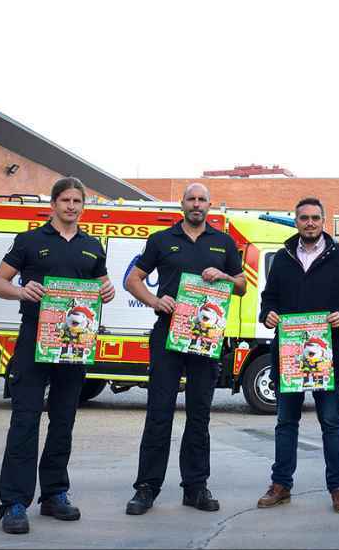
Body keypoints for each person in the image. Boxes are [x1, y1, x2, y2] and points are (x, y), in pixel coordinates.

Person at [0, 177, 115, 535]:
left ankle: (55, 494)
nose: (71, 206)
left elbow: (103, 287)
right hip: (34, 341)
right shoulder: (29, 241)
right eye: (65, 200)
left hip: (74, 345)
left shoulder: (92, 247)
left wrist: (107, 292)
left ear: (82, 205)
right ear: (53, 204)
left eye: (77, 200)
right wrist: (20, 291)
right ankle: (13, 502)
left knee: (63, 421)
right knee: (25, 420)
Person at [124, 183, 246, 516]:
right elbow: (133, 279)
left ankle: (195, 487)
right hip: (168, 336)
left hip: (206, 338)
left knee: (199, 415)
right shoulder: (161, 240)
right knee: (159, 413)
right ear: (182, 204)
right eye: (191, 199)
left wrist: (223, 275)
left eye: (202, 199)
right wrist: (154, 299)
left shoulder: (223, 243)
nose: (196, 204)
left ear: (210, 206)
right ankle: (146, 488)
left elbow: (242, 286)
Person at [256, 197, 339, 513]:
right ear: (296, 221)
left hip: (327, 356)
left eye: (315, 218)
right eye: (304, 218)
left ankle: (338, 488)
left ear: (323, 221)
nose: (309, 223)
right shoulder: (282, 257)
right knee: (285, 421)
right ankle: (281, 485)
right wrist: (269, 315)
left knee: (331, 421)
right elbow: (269, 299)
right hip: (289, 354)